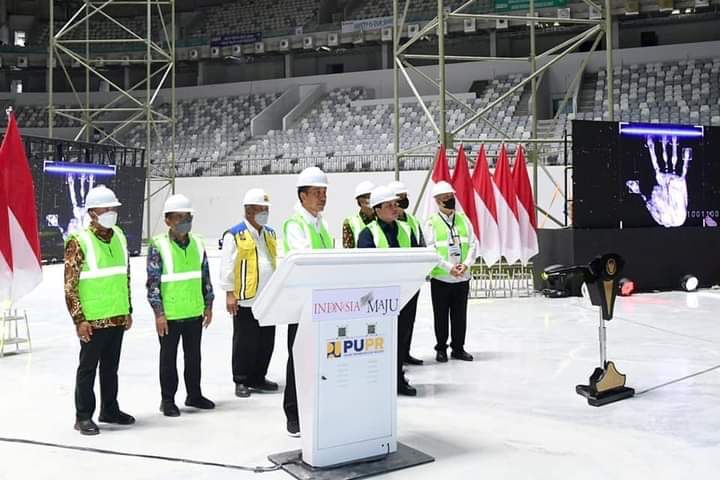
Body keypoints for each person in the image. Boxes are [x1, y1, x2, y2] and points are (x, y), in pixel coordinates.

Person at [64, 185, 134, 435]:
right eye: (107, 208)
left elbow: (123, 275)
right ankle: (83, 416)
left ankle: (110, 409)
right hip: (92, 321)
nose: (112, 212)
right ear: (93, 212)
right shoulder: (78, 241)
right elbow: (70, 285)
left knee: (110, 368)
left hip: (116, 315)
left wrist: (128, 309)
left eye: (113, 208)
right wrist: (78, 319)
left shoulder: (119, 236)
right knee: (88, 369)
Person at [147, 194, 215, 417]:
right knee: (168, 359)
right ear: (167, 220)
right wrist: (159, 314)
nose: (184, 221)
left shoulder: (197, 242)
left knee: (193, 357)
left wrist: (209, 303)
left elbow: (204, 275)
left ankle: (194, 395)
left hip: (194, 310)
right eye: (179, 217)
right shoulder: (158, 245)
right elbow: (153, 283)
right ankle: (167, 400)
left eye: (187, 217)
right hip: (171, 314)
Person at [283, 166, 333, 436]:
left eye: (324, 192)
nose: (322, 197)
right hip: (302, 304)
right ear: (302, 196)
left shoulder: (321, 223)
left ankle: (314, 409)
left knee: (319, 360)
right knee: (298, 359)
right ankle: (293, 414)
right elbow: (304, 260)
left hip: (323, 303)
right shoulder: (295, 224)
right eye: (317, 193)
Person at [357, 185, 419, 396]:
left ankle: (397, 379)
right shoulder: (367, 234)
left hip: (406, 294)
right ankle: (378, 382)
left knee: (401, 338)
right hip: (379, 298)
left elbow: (417, 258)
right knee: (380, 340)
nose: (395, 208)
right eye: (389, 205)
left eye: (396, 204)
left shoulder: (407, 229)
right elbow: (365, 268)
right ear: (377, 209)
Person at [220, 188, 278, 398]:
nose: (264, 213)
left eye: (266, 209)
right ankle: (242, 379)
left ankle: (258, 377)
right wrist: (229, 293)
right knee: (245, 342)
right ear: (248, 210)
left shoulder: (270, 233)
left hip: (268, 297)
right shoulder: (235, 234)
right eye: (260, 209)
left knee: (266, 341)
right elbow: (227, 266)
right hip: (246, 298)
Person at [424, 181, 477, 363]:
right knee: (440, 316)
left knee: (460, 316)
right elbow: (432, 250)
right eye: (445, 197)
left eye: (451, 197)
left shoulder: (463, 218)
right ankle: (441, 348)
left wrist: (466, 264)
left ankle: (458, 348)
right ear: (437, 201)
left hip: (462, 277)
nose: (449, 200)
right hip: (441, 277)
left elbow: (473, 244)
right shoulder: (431, 222)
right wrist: (449, 267)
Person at [388, 180, 424, 366]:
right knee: (394, 322)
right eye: (400, 198)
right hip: (393, 281)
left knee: (409, 320)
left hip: (412, 280)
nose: (403, 201)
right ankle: (394, 358)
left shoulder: (412, 220)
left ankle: (405, 353)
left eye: (405, 197)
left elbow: (421, 246)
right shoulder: (386, 223)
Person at [342, 180, 375, 248]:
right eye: (366, 196)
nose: (369, 199)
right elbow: (348, 251)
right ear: (359, 200)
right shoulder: (349, 222)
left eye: (371, 196)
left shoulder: (382, 220)